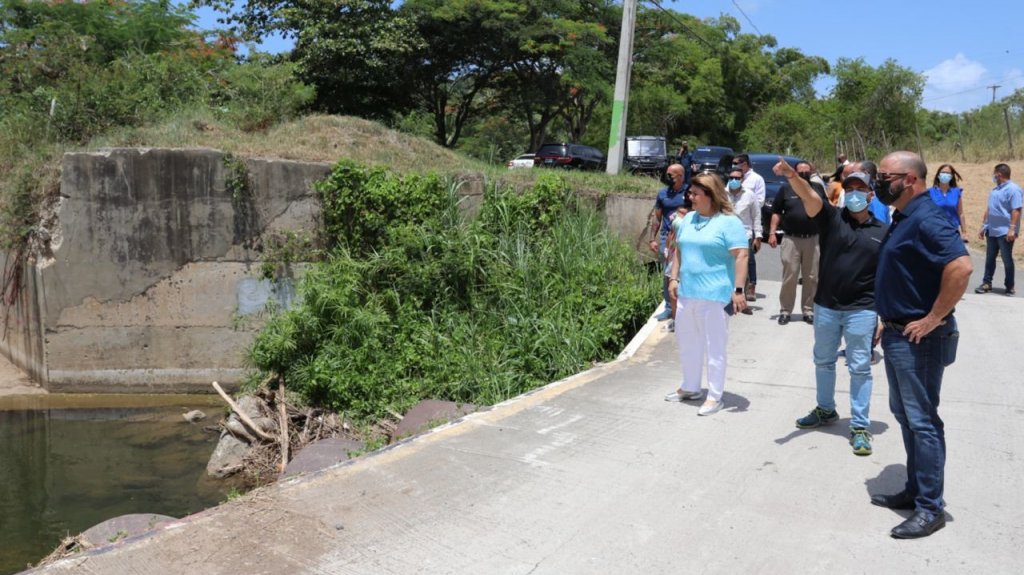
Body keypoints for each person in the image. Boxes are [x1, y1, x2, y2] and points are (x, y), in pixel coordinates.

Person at [871, 151, 972, 539]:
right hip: (898, 334)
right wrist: (888, 318)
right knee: (906, 415)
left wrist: (933, 318)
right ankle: (915, 490)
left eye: (884, 175)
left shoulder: (928, 217)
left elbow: (961, 267)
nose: (878, 182)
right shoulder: (905, 216)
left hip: (921, 341)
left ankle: (931, 508)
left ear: (909, 179)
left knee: (924, 421)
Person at [773, 160, 888, 456]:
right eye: (850, 188)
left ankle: (860, 426)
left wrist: (884, 316)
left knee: (860, 367)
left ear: (871, 195)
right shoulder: (831, 219)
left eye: (861, 189)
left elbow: (888, 278)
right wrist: (791, 175)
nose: (854, 194)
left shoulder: (883, 232)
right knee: (823, 361)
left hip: (862, 310)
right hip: (826, 307)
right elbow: (812, 198)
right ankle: (826, 410)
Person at [663, 172, 749, 417]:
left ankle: (714, 396)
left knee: (714, 347)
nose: (690, 197)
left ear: (710, 196)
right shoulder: (689, 218)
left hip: (715, 295)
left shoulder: (728, 222)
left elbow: (741, 255)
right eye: (690, 193)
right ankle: (690, 387)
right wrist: (674, 278)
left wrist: (739, 290)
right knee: (687, 342)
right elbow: (679, 249)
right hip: (688, 293)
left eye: (695, 194)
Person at [768, 161, 823, 325]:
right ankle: (785, 310)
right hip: (791, 239)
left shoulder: (818, 188)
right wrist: (772, 232)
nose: (804, 173)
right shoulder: (785, 189)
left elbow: (826, 210)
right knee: (789, 275)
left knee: (812, 277)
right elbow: (776, 212)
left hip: (813, 238)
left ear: (811, 172)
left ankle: (809, 310)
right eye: (801, 171)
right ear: (795, 172)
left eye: (807, 171)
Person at [646, 164, 691, 319]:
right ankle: (668, 307)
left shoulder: (690, 193)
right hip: (667, 238)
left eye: (670, 175)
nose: (667, 177)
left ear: (680, 176)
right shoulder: (663, 194)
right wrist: (652, 238)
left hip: (687, 237)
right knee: (667, 273)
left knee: (684, 272)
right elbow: (657, 217)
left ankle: (684, 305)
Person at [975, 163, 1022, 296]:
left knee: (1006, 259)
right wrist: (983, 226)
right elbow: (989, 209)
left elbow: (1016, 210)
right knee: (990, 258)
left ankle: (1009, 286)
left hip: (1005, 231)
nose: (993, 176)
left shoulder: (1014, 189)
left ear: (999, 174)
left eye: (994, 174)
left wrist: (1012, 228)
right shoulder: (995, 191)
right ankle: (986, 283)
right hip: (992, 230)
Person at [725, 166, 762, 314]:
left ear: (743, 179)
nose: (734, 180)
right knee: (727, 266)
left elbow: (756, 216)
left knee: (744, 267)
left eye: (737, 178)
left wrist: (758, 236)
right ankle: (727, 300)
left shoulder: (750, 195)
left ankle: (743, 302)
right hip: (725, 235)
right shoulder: (721, 193)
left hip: (744, 235)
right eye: (731, 178)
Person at [732, 153, 764, 300]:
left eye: (736, 163)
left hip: (747, 225)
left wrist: (758, 234)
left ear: (744, 164)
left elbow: (760, 203)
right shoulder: (726, 189)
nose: (734, 166)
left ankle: (751, 285)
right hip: (730, 228)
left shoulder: (756, 179)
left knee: (749, 258)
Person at [928, 164, 968, 239]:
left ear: (951, 176)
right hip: (934, 231)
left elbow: (961, 213)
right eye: (943, 172)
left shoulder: (956, 192)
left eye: (948, 173)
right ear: (938, 175)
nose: (945, 175)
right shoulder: (930, 192)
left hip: (952, 230)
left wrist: (964, 232)